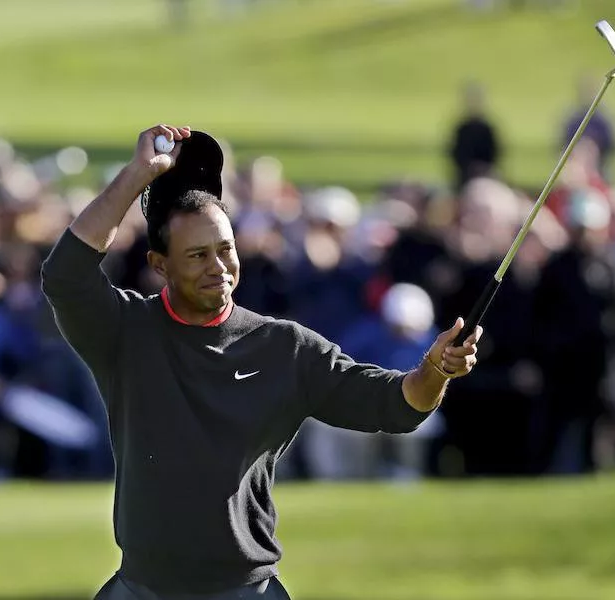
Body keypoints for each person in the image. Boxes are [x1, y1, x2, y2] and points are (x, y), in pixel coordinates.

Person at [40, 124, 483, 600]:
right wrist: (137, 176)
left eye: (226, 249)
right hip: (143, 587)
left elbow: (396, 405)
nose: (218, 267)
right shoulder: (125, 331)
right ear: (160, 264)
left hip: (245, 589)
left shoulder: (283, 347)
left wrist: (435, 370)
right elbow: (65, 275)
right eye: (197, 255)